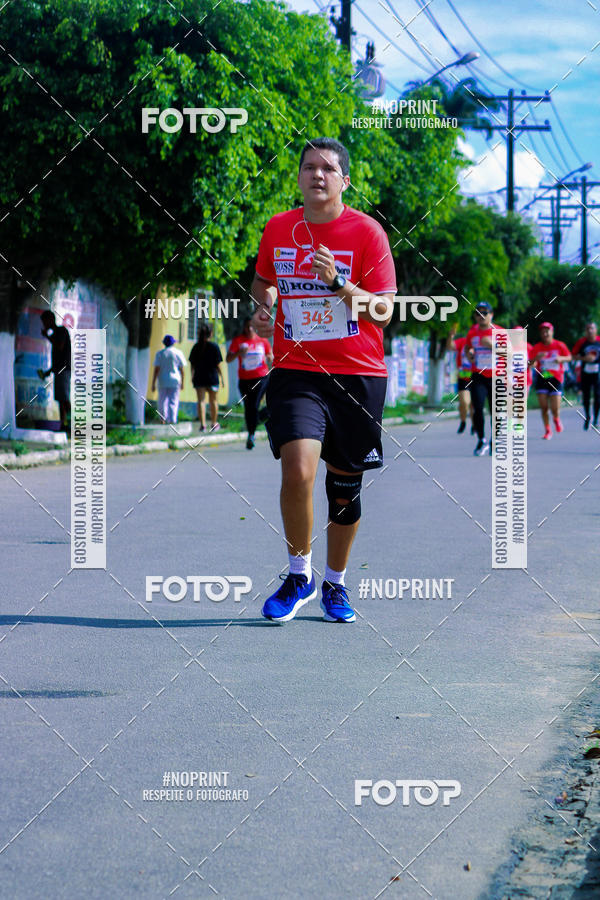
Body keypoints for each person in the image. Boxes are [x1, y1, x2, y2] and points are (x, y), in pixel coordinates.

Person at [251, 136, 396, 624]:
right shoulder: (278, 228)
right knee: (297, 471)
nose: (317, 174)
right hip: (296, 370)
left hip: (357, 374)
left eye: (327, 168)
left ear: (344, 180)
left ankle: (335, 583)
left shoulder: (368, 233)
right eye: (308, 167)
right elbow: (263, 280)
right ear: (298, 176)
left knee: (343, 491)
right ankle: (299, 575)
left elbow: (384, 311)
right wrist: (263, 304)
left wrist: (338, 282)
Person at [464, 302, 504, 455]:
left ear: (491, 315)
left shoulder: (499, 331)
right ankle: (481, 440)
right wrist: (469, 354)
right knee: (478, 409)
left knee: (496, 411)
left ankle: (495, 440)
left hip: (496, 376)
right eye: (478, 313)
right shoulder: (472, 332)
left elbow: (510, 352)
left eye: (485, 313)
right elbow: (468, 347)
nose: (481, 316)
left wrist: (491, 345)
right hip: (478, 375)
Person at [227, 317, 272, 449]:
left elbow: (270, 355)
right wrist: (239, 353)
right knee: (249, 407)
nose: (249, 329)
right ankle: (251, 434)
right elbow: (228, 358)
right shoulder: (238, 341)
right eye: (247, 327)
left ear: (255, 328)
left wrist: (269, 357)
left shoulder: (262, 341)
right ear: (244, 328)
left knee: (254, 404)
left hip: (261, 378)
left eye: (251, 327)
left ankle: (257, 422)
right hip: (244, 379)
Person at [529, 322, 571, 439]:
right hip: (542, 378)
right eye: (543, 332)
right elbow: (529, 363)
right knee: (544, 407)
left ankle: (556, 418)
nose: (545, 333)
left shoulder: (559, 345)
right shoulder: (537, 347)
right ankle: (547, 430)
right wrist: (536, 358)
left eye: (547, 331)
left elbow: (569, 357)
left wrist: (560, 358)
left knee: (555, 407)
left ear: (552, 332)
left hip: (556, 378)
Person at [39, 310, 71, 431]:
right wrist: (48, 372)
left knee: (64, 398)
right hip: (59, 370)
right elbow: (57, 358)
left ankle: (72, 422)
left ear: (50, 320)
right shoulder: (56, 333)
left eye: (44, 322)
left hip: (64, 370)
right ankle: (64, 424)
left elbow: (60, 347)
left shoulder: (61, 331)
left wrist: (47, 336)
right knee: (60, 399)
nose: (44, 325)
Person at [189, 322, 224, 432]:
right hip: (212, 378)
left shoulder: (196, 346)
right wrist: (222, 378)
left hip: (199, 377)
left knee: (201, 401)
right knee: (213, 401)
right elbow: (218, 364)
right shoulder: (214, 346)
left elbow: (192, 364)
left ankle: (203, 425)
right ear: (211, 333)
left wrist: (192, 375)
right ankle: (214, 424)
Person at [151, 334, 186, 425]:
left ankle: (162, 418)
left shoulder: (160, 353)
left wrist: (153, 383)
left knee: (162, 400)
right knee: (173, 400)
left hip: (162, 379)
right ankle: (172, 420)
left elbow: (156, 369)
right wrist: (183, 382)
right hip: (175, 380)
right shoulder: (178, 353)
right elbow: (182, 369)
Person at [572, 321, 600, 429]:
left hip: (597, 372)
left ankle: (596, 419)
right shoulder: (581, 342)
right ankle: (588, 416)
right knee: (586, 396)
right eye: (588, 329)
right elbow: (573, 356)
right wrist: (584, 358)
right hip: (585, 372)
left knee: (598, 396)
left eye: (592, 328)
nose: (590, 331)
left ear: (595, 330)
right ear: (585, 331)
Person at [447, 323, 473, 434]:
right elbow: (450, 346)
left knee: (475, 405)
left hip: (477, 377)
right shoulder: (463, 342)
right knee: (464, 402)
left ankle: (475, 424)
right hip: (463, 377)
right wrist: (451, 335)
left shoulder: (481, 344)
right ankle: (463, 421)